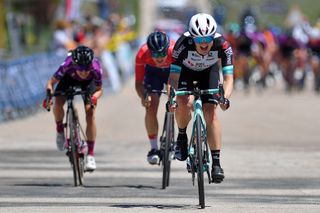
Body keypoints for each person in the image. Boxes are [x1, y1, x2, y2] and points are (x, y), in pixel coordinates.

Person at [168, 13, 233, 183]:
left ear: (214, 36)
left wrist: (224, 98)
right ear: (192, 37)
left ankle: (216, 163)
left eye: (207, 38)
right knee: (184, 101)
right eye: (198, 40)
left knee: (210, 112)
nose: (203, 43)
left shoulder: (223, 45)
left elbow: (228, 79)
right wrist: (172, 97)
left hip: (209, 73)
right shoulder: (182, 44)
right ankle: (182, 137)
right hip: (185, 73)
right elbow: (173, 77)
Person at [44, 45, 103, 171]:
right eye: (80, 69)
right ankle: (60, 129)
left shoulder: (96, 68)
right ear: (75, 64)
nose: (83, 72)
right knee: (58, 102)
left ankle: (91, 155)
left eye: (86, 68)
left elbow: (99, 90)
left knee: (90, 114)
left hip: (89, 83)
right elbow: (50, 83)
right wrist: (49, 95)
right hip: (68, 79)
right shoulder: (67, 64)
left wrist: (94, 97)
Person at [135, 31, 175, 164]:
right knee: (151, 106)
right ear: (149, 51)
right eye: (155, 54)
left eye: (162, 53)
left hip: (172, 71)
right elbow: (138, 83)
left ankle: (176, 137)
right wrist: (143, 97)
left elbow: (181, 75)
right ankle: (154, 148)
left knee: (176, 98)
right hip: (153, 74)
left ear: (167, 49)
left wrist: (173, 88)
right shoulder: (142, 53)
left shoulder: (175, 50)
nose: (159, 58)